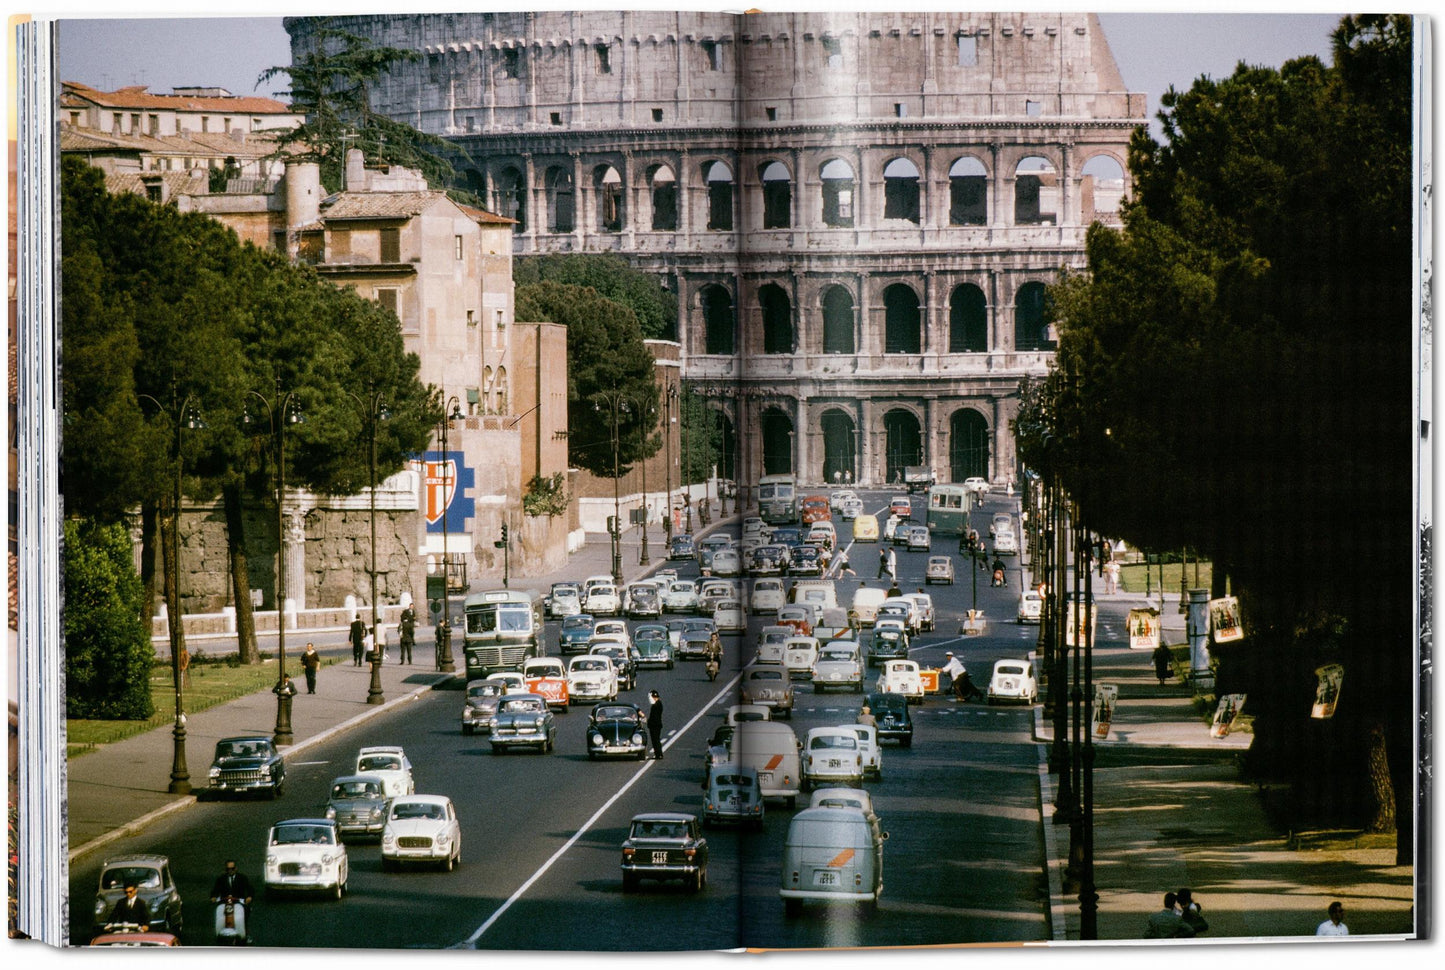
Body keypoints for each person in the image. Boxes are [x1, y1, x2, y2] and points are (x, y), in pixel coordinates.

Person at [647, 690, 665, 760]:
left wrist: (649, 722)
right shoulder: (656, 704)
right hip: (655, 725)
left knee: (656, 740)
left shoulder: (657, 705)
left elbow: (654, 716)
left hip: (655, 725)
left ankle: (659, 754)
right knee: (655, 740)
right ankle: (658, 753)